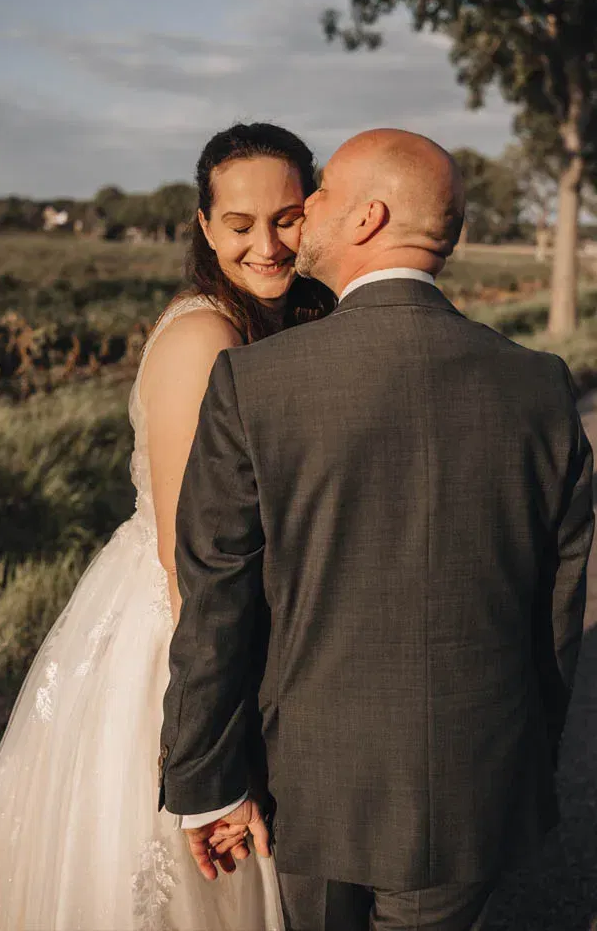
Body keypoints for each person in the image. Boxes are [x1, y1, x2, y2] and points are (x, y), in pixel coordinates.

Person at [160, 129, 594, 931]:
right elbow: (558, 612)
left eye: (317, 197)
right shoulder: (540, 386)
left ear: (368, 217)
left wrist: (208, 782)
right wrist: (520, 760)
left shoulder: (259, 383)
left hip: (313, 785)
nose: (304, 213)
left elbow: (216, 595)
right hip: (478, 778)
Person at [0, 122, 334, 931]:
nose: (267, 245)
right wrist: (208, 758)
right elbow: (192, 560)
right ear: (205, 226)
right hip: (178, 642)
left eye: (286, 218)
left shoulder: (282, 323)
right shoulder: (205, 337)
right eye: (240, 224)